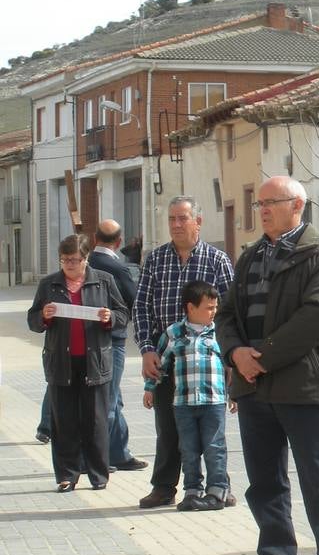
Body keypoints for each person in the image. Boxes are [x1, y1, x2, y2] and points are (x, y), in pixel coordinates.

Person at [216, 176, 319, 555]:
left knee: (317, 475)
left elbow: (317, 316)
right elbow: (226, 315)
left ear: (297, 206)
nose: (261, 211)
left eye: (269, 203)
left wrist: (263, 359)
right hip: (252, 384)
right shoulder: (250, 257)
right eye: (258, 204)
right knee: (264, 480)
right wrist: (236, 354)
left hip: (301, 384)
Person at [135, 196, 235, 509]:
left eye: (183, 218)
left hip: (207, 362)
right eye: (172, 219)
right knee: (168, 428)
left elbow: (231, 310)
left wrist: (230, 355)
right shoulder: (155, 259)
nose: (176, 225)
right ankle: (165, 487)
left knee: (211, 431)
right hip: (167, 357)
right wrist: (147, 349)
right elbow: (141, 306)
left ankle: (220, 486)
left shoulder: (216, 260)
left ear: (198, 222)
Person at [27, 234, 127, 491]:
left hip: (95, 361)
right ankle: (66, 474)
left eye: (74, 260)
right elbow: (33, 320)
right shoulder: (50, 284)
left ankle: (98, 474)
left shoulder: (103, 281)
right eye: (64, 260)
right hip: (61, 361)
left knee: (95, 421)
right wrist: (44, 316)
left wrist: (109, 317)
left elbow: (123, 314)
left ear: (86, 259)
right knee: (64, 420)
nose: (69, 265)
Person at [144, 281, 229, 511]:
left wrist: (236, 396)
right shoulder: (174, 333)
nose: (214, 312)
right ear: (191, 308)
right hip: (183, 403)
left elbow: (230, 366)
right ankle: (192, 491)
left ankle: (218, 490)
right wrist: (149, 388)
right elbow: (160, 364)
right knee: (188, 449)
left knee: (214, 447)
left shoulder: (220, 332)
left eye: (215, 307)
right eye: (209, 307)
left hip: (214, 402)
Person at [88, 220, 147, 472]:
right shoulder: (117, 268)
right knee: (108, 401)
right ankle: (97, 458)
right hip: (113, 338)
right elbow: (135, 302)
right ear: (119, 242)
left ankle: (118, 452)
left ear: (94, 238)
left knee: (115, 400)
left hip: (89, 340)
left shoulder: (85, 262)